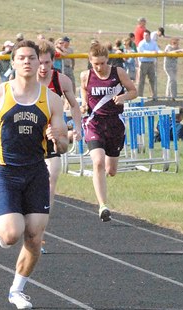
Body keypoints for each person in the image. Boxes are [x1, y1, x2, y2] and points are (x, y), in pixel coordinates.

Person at [0, 40, 68, 310]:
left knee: (34, 236)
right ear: (13, 63)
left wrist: (59, 138)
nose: (27, 62)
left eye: (32, 58)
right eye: (21, 57)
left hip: (36, 171)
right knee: (12, 235)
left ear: (40, 63)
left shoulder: (52, 99)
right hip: (6, 171)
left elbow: (64, 145)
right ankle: (5, 229)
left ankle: (17, 290)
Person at [80, 42, 137, 221]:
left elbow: (133, 91)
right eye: (96, 63)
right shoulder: (85, 75)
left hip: (115, 124)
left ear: (108, 60)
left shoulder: (118, 72)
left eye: (103, 63)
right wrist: (83, 103)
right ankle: (103, 206)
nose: (99, 67)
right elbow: (83, 89)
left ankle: (106, 176)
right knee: (97, 162)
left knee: (110, 170)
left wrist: (123, 97)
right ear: (90, 61)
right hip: (94, 123)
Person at [35, 40, 82, 249]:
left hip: (54, 136)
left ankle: (40, 233)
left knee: (52, 178)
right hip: (30, 137)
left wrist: (78, 128)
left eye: (47, 63)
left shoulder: (61, 80)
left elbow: (74, 105)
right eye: (40, 62)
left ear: (54, 61)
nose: (43, 68)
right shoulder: (24, 80)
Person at [137, 30, 160, 101]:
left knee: (153, 80)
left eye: (146, 35)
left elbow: (157, 50)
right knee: (141, 81)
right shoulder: (141, 43)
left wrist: (162, 52)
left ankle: (154, 96)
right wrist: (152, 52)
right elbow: (143, 51)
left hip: (151, 63)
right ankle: (139, 96)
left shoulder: (154, 43)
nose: (145, 36)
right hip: (143, 63)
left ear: (149, 35)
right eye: (144, 35)